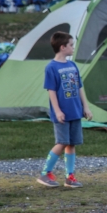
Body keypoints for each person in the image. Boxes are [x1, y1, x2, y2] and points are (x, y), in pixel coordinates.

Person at [38, 32, 92, 189]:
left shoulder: (72, 65)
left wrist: (85, 107)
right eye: (71, 45)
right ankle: (45, 173)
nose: (73, 48)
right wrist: (58, 111)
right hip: (62, 113)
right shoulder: (51, 67)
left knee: (71, 144)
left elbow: (79, 87)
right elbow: (51, 91)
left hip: (75, 111)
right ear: (62, 47)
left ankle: (70, 177)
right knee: (62, 142)